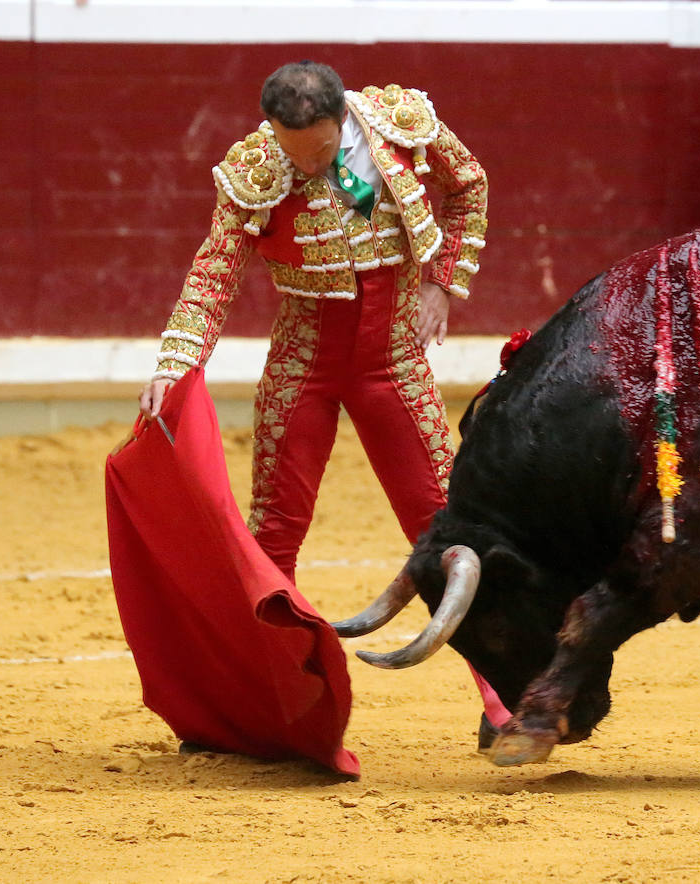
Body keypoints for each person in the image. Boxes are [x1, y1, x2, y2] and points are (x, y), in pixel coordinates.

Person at [138, 61, 509, 743]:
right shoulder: (257, 166)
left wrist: (443, 282)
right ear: (271, 128)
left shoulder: (401, 124)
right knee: (273, 532)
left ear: (343, 119)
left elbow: (470, 188)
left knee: (447, 525)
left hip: (394, 356)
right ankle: (266, 709)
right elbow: (215, 267)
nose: (306, 166)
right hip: (303, 360)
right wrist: (176, 360)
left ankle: (504, 702)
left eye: (320, 151)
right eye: (291, 150)